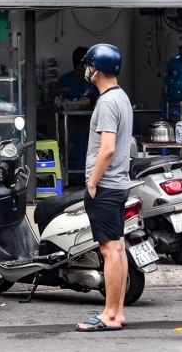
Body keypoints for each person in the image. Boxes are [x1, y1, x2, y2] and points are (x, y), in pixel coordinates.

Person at [76, 44, 132, 333]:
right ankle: (117, 312)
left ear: (95, 68)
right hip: (118, 184)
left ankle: (110, 315)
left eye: (88, 65)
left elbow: (107, 148)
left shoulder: (108, 102)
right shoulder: (120, 97)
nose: (85, 70)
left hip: (107, 187)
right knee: (118, 248)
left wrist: (92, 181)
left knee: (110, 250)